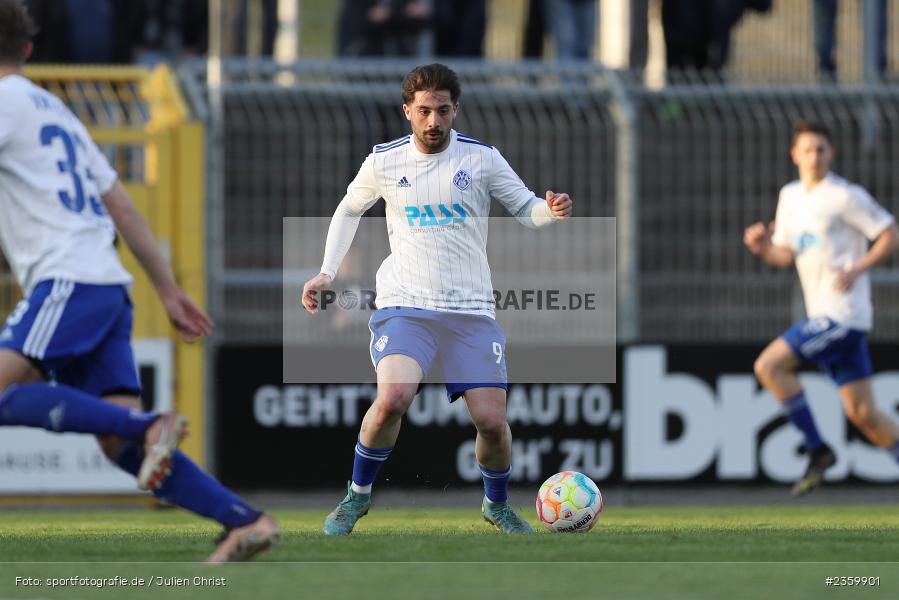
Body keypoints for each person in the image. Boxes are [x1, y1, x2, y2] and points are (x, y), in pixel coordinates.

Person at [0, 0, 278, 562]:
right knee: (118, 447)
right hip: (105, 281)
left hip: (66, 280)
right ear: (28, 49)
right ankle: (244, 520)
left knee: (104, 420)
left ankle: (151, 422)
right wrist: (168, 289)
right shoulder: (57, 111)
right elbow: (121, 205)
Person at [302, 63, 573, 535]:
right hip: (406, 304)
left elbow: (527, 209)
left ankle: (497, 505)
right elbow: (349, 210)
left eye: (442, 111)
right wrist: (327, 272)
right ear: (407, 110)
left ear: (455, 110)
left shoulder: (482, 159)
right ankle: (355, 498)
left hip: (470, 311)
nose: (433, 122)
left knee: (491, 421)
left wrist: (549, 211)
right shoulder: (384, 162)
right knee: (393, 396)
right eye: (424, 111)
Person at [744, 121, 899, 497]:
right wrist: (764, 248)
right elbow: (786, 254)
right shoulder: (790, 196)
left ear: (832, 154)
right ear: (794, 155)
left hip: (843, 315)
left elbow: (889, 232)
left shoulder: (845, 195)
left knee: (768, 365)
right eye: (808, 150)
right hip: (825, 317)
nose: (814, 156)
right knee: (863, 414)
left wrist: (857, 268)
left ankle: (818, 449)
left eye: (821, 149)